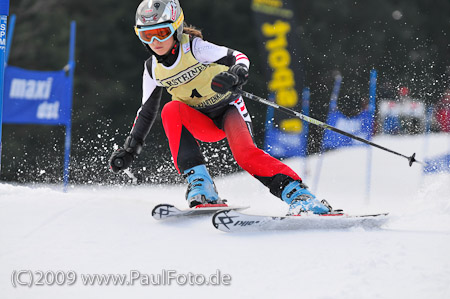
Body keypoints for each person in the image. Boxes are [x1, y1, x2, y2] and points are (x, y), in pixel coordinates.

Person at [108, 0, 330, 215]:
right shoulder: (152, 69)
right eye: (147, 35)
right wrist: (131, 148)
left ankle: (299, 196)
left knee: (245, 155)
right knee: (170, 109)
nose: (155, 41)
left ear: (176, 28)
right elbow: (146, 111)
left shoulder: (194, 48)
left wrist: (236, 74)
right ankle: (201, 186)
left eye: (162, 32)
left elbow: (238, 57)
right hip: (201, 122)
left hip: (228, 111)